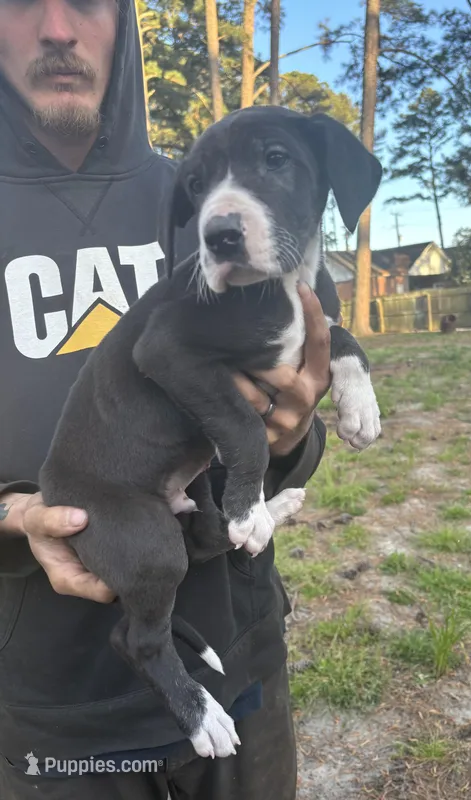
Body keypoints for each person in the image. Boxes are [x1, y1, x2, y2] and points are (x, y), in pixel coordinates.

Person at [0, 0, 331, 797]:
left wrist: (290, 439)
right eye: (19, 1)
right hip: (51, 706)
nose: (55, 28)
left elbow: (296, 412)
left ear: (123, 19)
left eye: (83, 0)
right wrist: (13, 518)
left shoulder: (213, 193)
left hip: (236, 652)